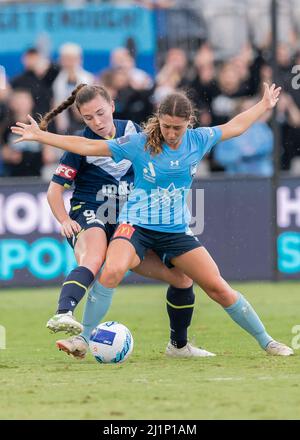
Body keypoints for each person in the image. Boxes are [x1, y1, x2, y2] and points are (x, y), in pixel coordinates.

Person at [11, 83, 294, 357]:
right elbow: (85, 146)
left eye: (177, 128)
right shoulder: (138, 143)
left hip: (175, 231)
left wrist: (264, 104)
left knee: (217, 287)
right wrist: (41, 136)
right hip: (134, 227)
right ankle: (83, 338)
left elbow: (237, 126)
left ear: (189, 122)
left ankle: (266, 342)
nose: (171, 133)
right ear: (158, 120)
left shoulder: (199, 139)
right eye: (166, 126)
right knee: (111, 270)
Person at [37, 84, 213, 359]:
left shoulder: (135, 133)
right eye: (88, 118)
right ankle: (63, 314)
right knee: (94, 259)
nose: (96, 122)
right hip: (91, 212)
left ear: (112, 105)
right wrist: (63, 219)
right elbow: (54, 190)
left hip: (129, 224)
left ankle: (179, 347)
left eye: (100, 113)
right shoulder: (80, 145)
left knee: (181, 278)